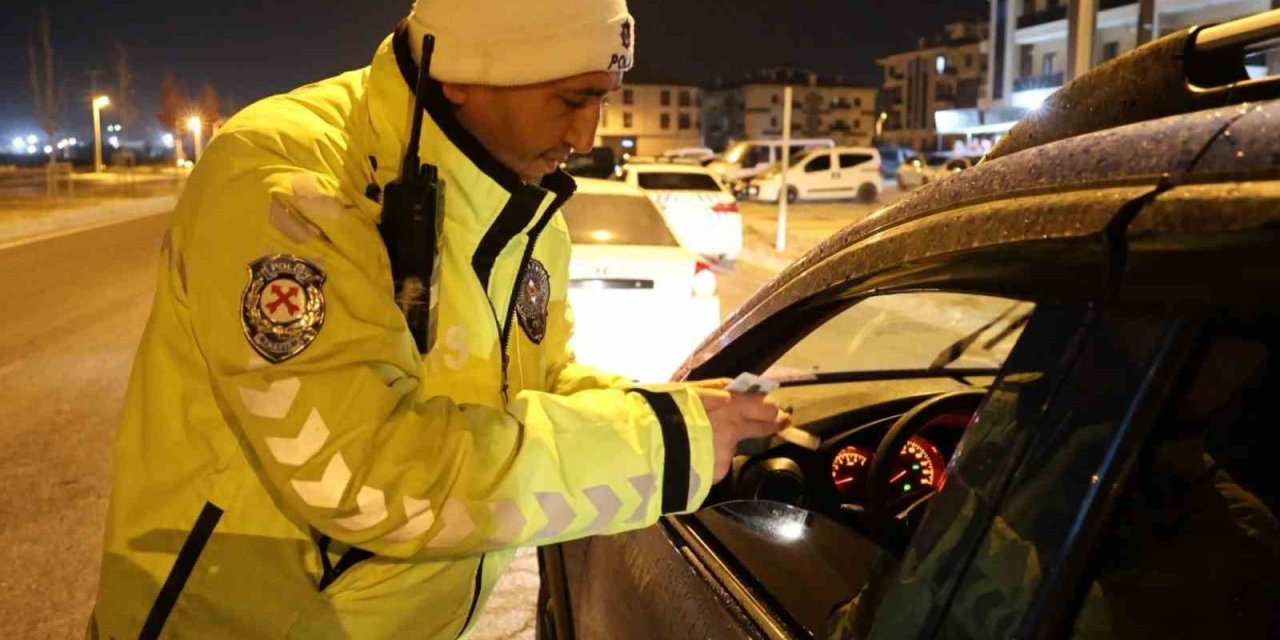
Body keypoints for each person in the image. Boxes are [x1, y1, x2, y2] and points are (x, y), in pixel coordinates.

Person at [89, 1, 788, 637]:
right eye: (571, 99)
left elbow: (535, 386)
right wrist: (663, 444)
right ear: (461, 73)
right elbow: (365, 473)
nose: (587, 133)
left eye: (603, 98)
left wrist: (679, 412)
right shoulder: (288, 180)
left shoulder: (526, 204)